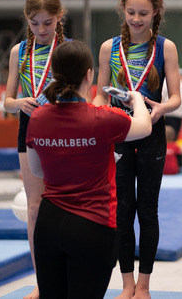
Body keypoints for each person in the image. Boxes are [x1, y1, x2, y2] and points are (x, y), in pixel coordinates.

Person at [26, 40, 152, 299]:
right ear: (89, 74)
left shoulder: (37, 117)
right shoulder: (102, 117)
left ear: (53, 74)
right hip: (92, 224)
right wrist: (137, 100)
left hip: (49, 224)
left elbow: (37, 171)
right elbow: (145, 126)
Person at [93, 0, 181, 299]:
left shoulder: (165, 48)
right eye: (131, 12)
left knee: (147, 210)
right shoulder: (109, 48)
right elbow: (100, 95)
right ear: (123, 10)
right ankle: (126, 283)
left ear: (155, 12)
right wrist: (98, 115)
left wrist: (161, 109)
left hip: (151, 133)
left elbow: (176, 98)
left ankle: (144, 285)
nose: (136, 19)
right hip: (118, 133)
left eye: (143, 13)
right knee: (122, 210)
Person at [3, 0, 66, 299]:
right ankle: (42, 281)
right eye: (34, 23)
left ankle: (67, 274)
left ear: (59, 17)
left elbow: (84, 94)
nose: (41, 29)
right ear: (26, 19)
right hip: (29, 126)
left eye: (47, 23)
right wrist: (20, 102)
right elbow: (7, 101)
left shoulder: (68, 50)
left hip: (64, 128)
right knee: (34, 208)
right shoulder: (19, 52)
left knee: (64, 205)